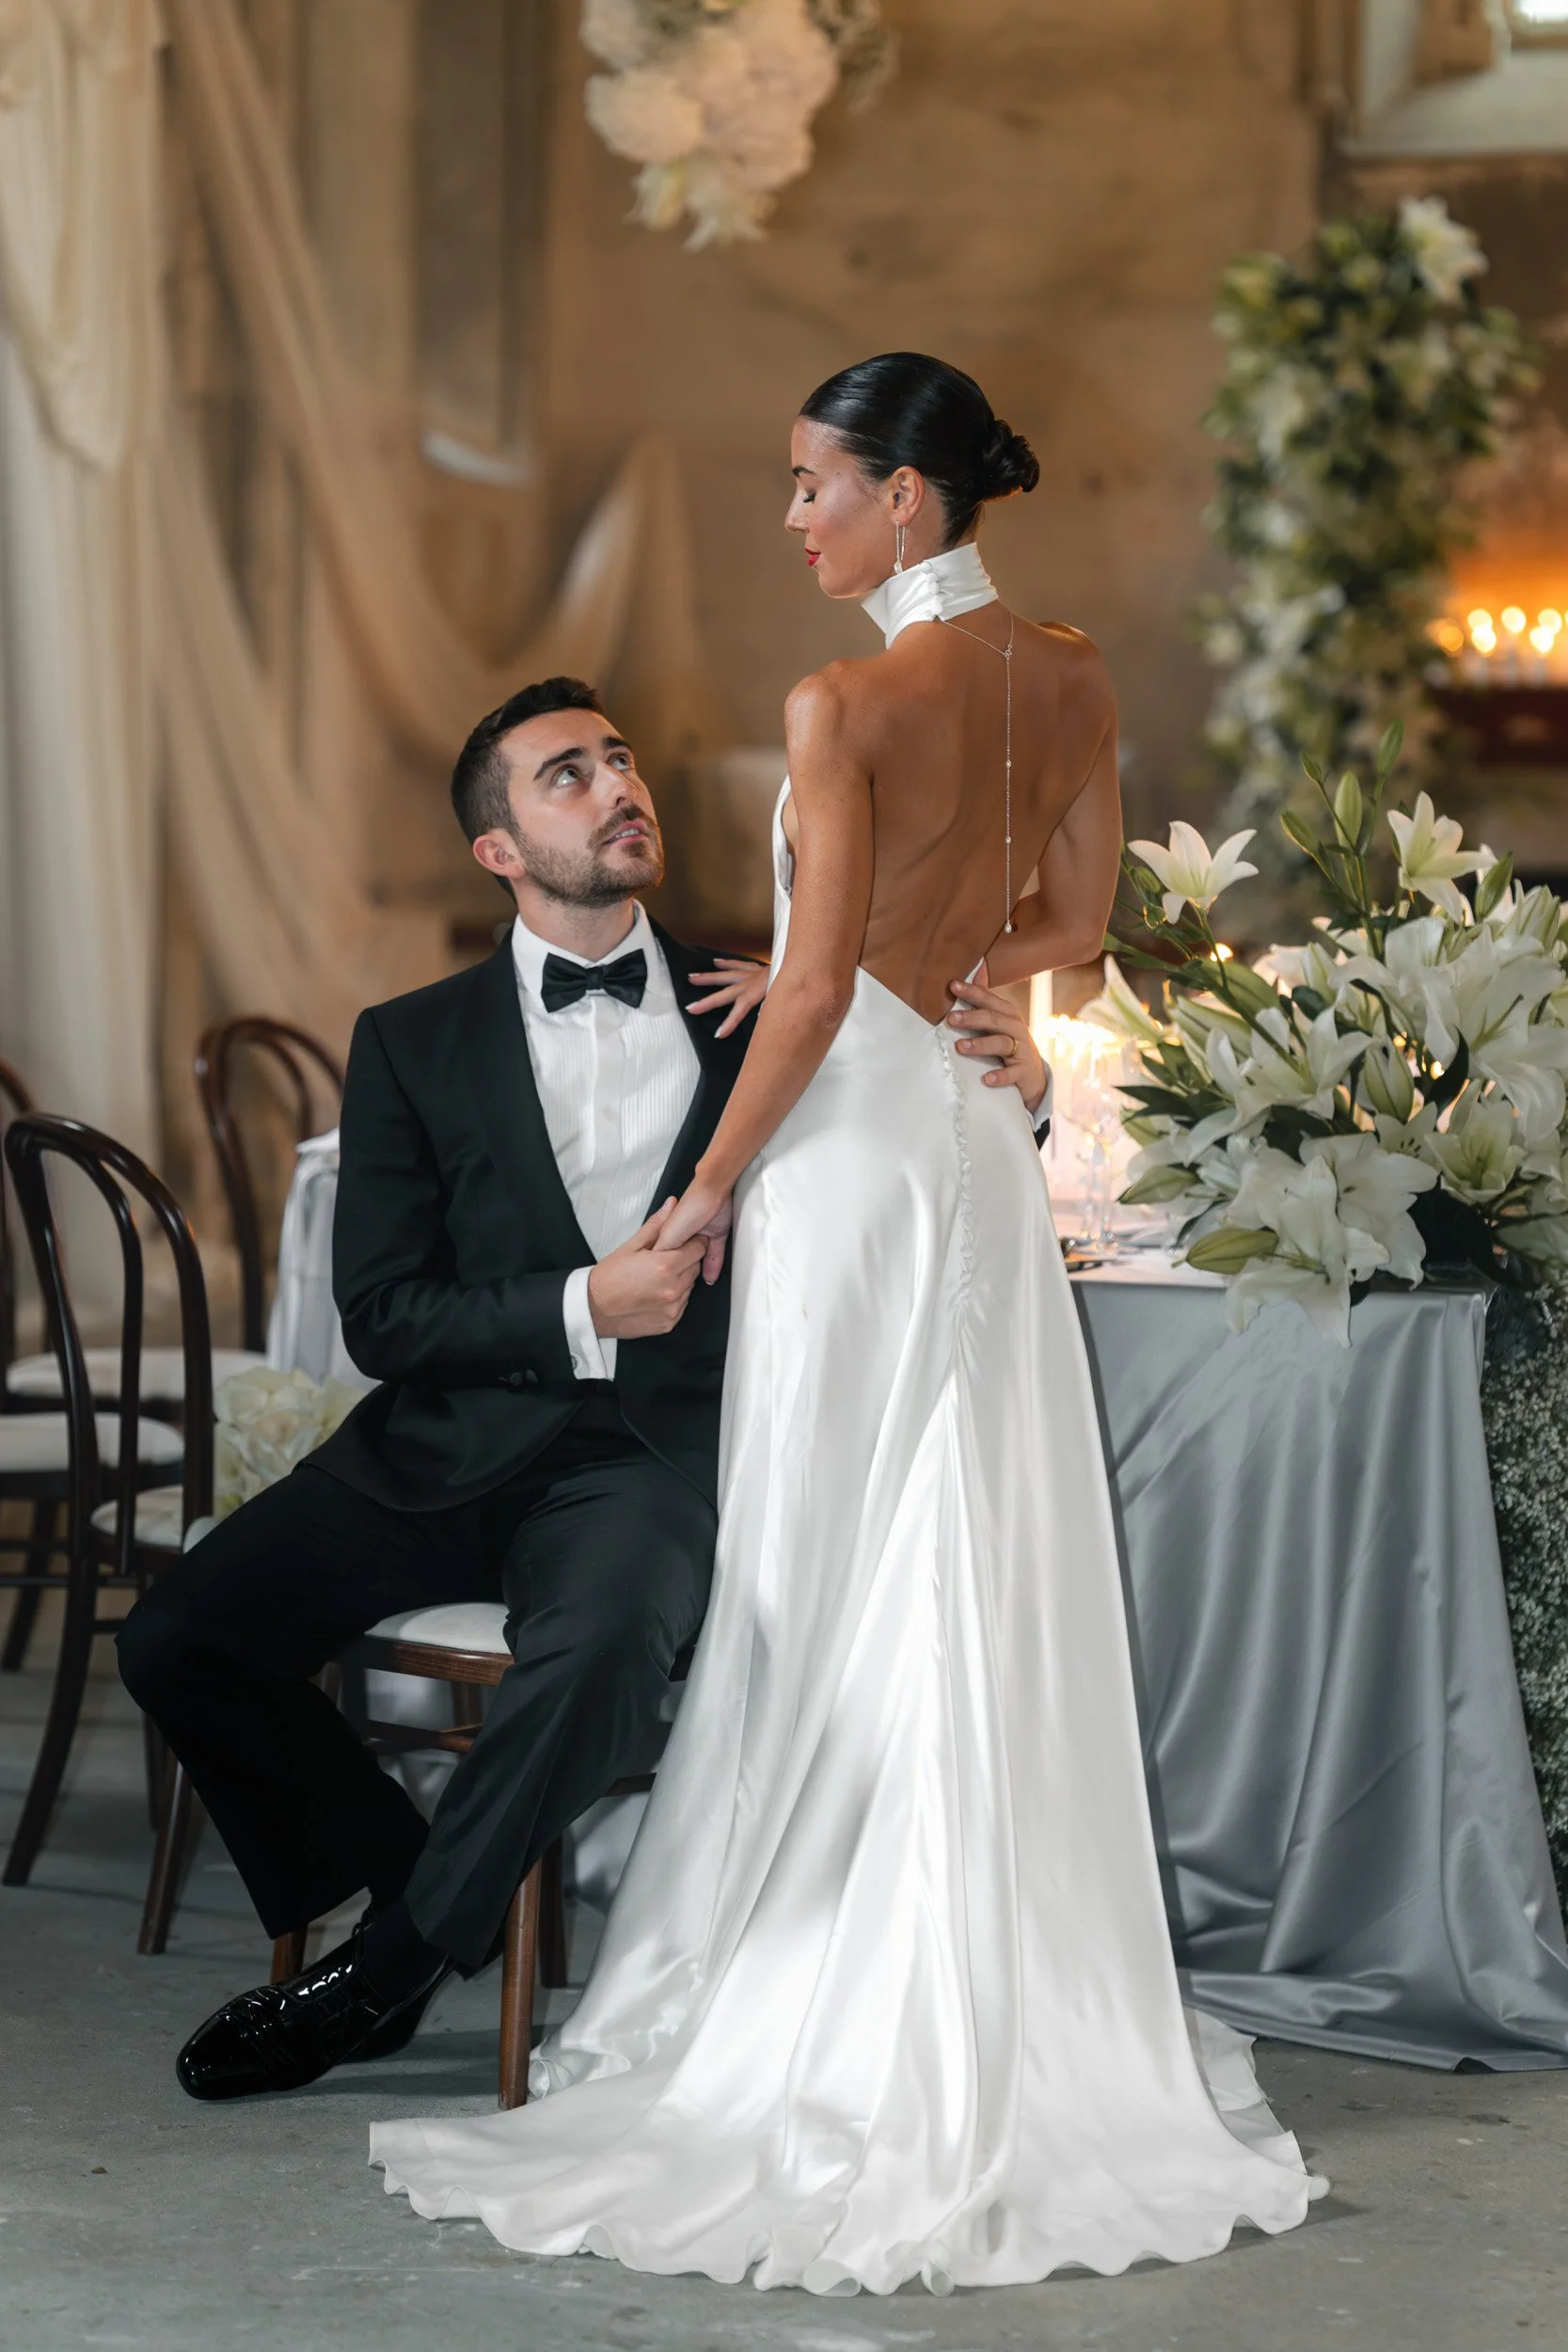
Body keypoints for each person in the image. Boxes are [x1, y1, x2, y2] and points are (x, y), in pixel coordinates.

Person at [370, 354, 1323, 2291]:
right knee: (969, 1528)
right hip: (969, 1143)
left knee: (830, 1547)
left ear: (907, 498)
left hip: (842, 1161)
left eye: (815, 484)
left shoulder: (838, 696)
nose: (792, 515)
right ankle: (1002, 1972)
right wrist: (975, 979)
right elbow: (1072, 916)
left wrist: (707, 1186)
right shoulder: (1064, 662)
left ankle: (827, 1965)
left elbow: (802, 1001)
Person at [117, 672, 1052, 2099]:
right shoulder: (407, 1041)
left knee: (604, 1649)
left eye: (619, 760)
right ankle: (414, 1880)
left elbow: (933, 1148)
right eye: (567, 774)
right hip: (431, 1449)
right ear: (497, 849)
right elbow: (380, 1315)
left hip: (644, 1461)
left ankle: (386, 1973)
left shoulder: (766, 999)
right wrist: (578, 1303)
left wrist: (1021, 1080)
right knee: (178, 1634)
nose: (619, 787)